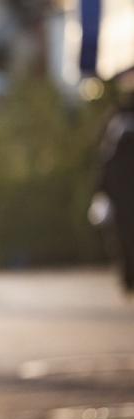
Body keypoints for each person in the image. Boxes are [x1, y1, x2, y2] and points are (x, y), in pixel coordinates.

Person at [96, 87, 134, 293]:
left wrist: (102, 189)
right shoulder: (119, 126)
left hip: (121, 196)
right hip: (122, 194)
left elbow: (106, 163)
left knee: (123, 237)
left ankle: (128, 277)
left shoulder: (116, 126)